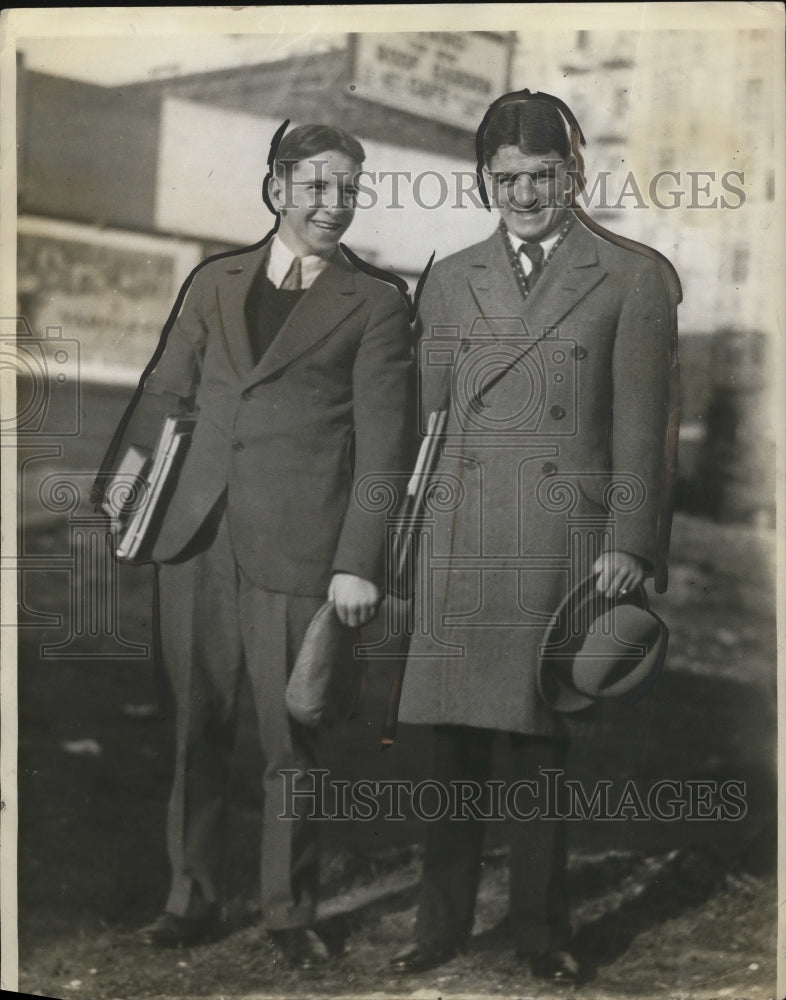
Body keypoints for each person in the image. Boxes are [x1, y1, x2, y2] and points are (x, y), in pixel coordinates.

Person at [97, 123, 413, 968]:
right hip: (194, 542)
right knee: (194, 729)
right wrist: (127, 499)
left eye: (348, 189)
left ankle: (287, 912)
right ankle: (190, 900)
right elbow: (164, 392)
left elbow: (386, 451)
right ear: (277, 190)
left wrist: (358, 563)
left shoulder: (378, 303)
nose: (333, 204)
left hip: (302, 552)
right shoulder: (214, 281)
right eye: (316, 187)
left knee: (291, 739)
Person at [393, 92, 679, 983]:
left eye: (542, 176)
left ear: (575, 174)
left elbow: (646, 426)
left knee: (538, 749)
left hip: (561, 544)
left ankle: (539, 931)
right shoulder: (449, 278)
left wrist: (630, 540)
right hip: (461, 537)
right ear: (485, 179)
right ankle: (438, 925)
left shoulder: (631, 276)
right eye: (506, 178)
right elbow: (424, 423)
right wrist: (403, 542)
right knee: (450, 747)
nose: (524, 195)